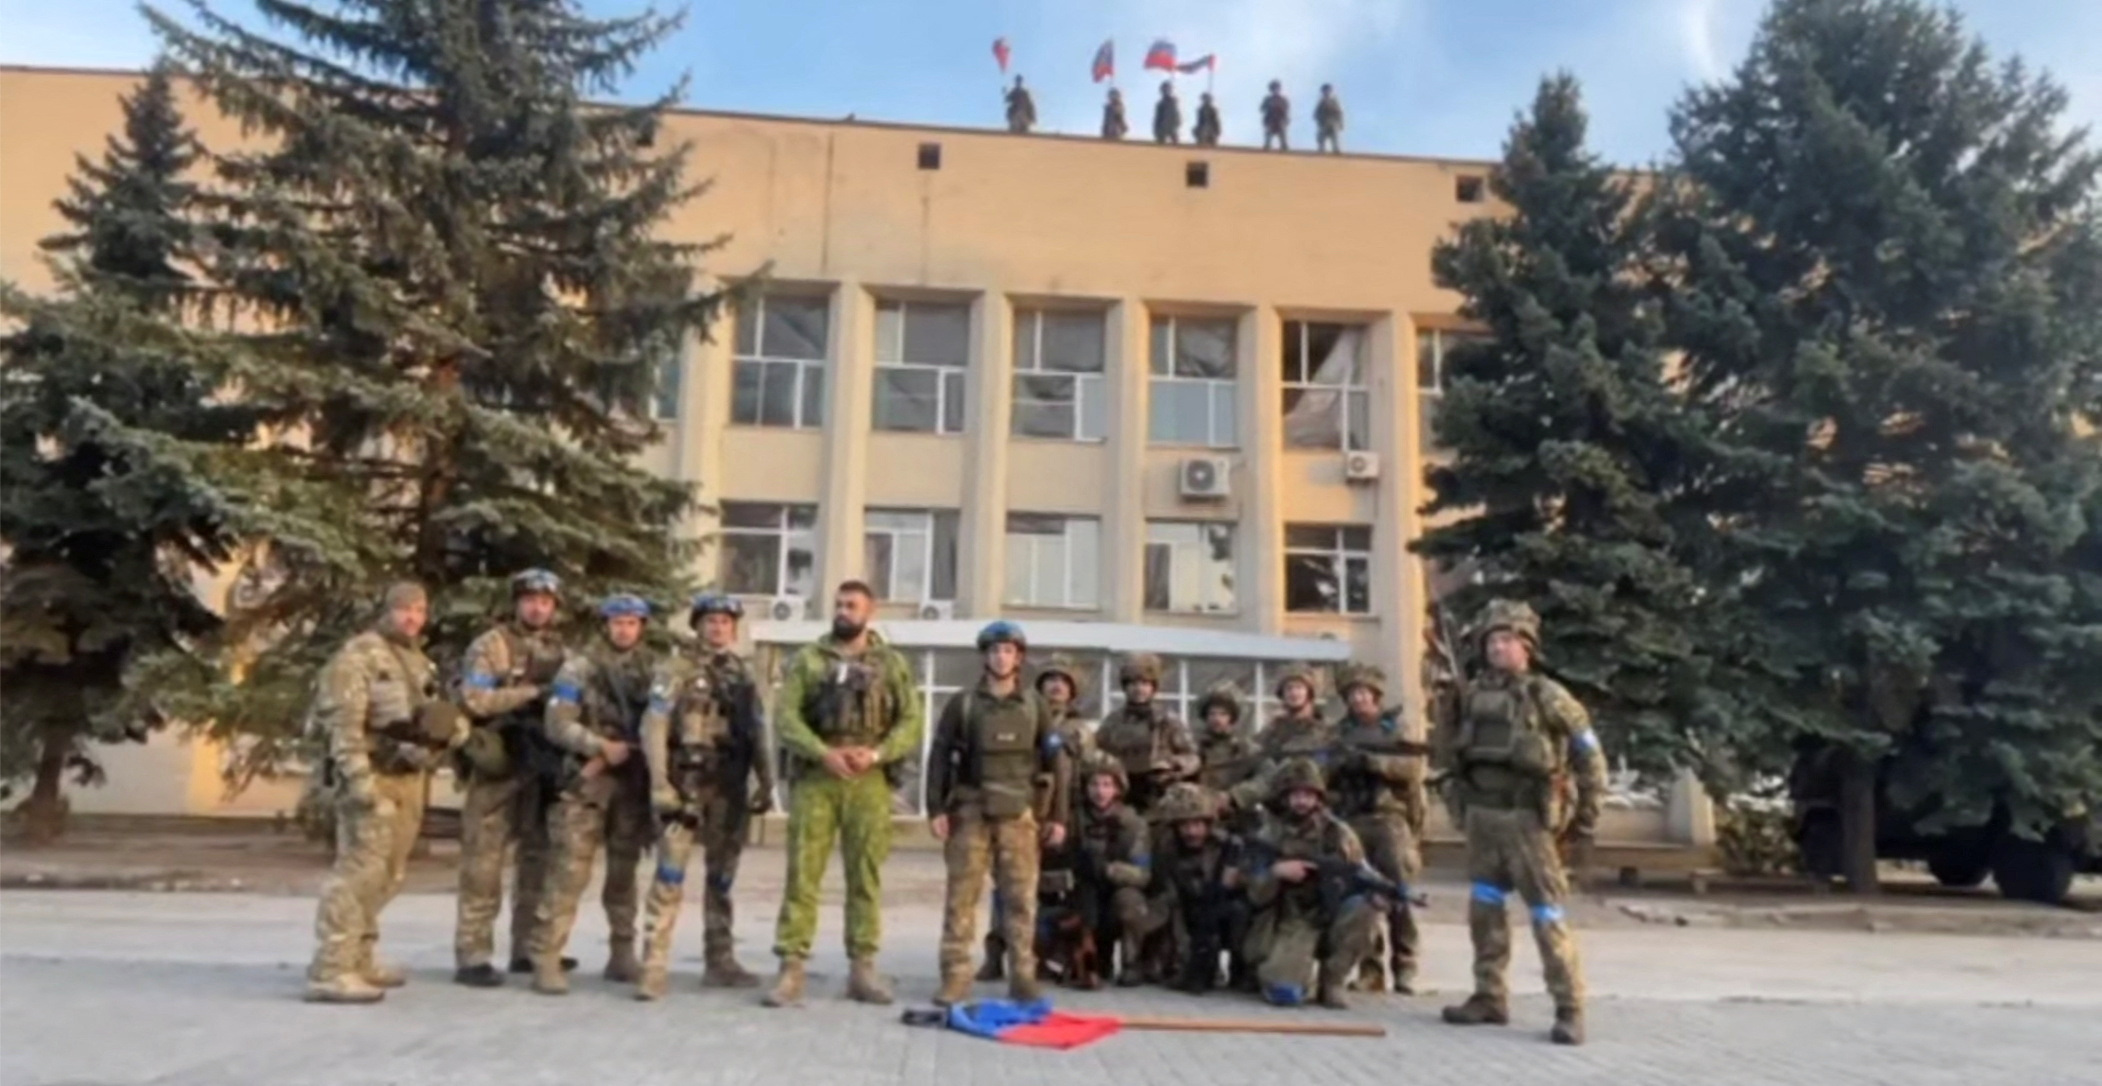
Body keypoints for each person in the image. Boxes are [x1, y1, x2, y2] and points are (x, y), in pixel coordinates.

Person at [1439, 599, 1607, 1045]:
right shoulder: (1469, 695)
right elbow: (1448, 756)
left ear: (1526, 646)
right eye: (1492, 640)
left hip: (1528, 821)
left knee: (1546, 915)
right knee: (1485, 910)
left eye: (1507, 640)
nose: (1498, 648)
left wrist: (1585, 817)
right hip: (1483, 819)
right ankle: (1489, 995)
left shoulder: (1548, 695)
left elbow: (1589, 754)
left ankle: (1570, 1006)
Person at [764, 581, 924, 1008]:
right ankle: (791, 968)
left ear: (870, 611)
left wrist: (876, 753)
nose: (843, 611)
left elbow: (911, 720)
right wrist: (822, 752)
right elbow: (786, 717)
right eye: (838, 604)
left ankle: (863, 969)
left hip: (867, 779)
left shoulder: (891, 663)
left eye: (852, 605)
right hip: (817, 778)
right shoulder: (809, 660)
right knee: (803, 873)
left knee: (865, 876)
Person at [304, 582, 463, 1003]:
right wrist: (359, 782)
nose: (412, 617)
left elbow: (427, 718)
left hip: (407, 779)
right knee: (357, 873)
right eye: (403, 609)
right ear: (387, 611)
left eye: (419, 610)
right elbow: (343, 726)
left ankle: (361, 956)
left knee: (388, 875)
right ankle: (331, 967)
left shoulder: (417, 661)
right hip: (372, 779)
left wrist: (449, 733)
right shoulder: (359, 657)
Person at [634, 592, 776, 999]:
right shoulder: (676, 668)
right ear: (697, 625)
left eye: (726, 622)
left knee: (722, 878)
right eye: (711, 621)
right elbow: (655, 725)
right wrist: (660, 783)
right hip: (686, 786)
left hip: (728, 788)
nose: (718, 628)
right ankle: (654, 965)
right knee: (669, 876)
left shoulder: (742, 675)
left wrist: (766, 782)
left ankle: (720, 960)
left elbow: (758, 730)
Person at [926, 621, 1064, 1006]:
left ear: (1018, 657)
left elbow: (1057, 763)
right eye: (994, 650)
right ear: (984, 656)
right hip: (970, 811)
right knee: (961, 897)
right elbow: (938, 756)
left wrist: (1058, 817)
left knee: (1021, 899)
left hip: (1019, 815)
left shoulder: (1036, 706)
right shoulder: (963, 704)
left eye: (1007, 650)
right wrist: (935, 807)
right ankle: (955, 975)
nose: (1000, 657)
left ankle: (1023, 975)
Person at [527, 594, 656, 994]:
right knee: (568, 873)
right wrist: (599, 746)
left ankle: (621, 953)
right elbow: (557, 723)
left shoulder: (652, 671)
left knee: (623, 874)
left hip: (631, 785)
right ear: (606, 626)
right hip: (587, 783)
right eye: (617, 623)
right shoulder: (578, 668)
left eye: (632, 623)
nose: (624, 630)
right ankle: (546, 957)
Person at [451, 568, 568, 987]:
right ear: (517, 602)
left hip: (540, 766)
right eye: (530, 599)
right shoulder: (492, 645)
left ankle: (528, 949)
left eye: (546, 601)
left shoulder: (560, 648)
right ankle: (473, 954)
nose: (538, 607)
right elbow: (475, 699)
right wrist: (531, 694)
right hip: (499, 763)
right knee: (484, 863)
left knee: (538, 860)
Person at [978, 652, 1093, 983]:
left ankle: (1049, 957)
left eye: (1063, 681)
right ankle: (997, 954)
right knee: (1007, 888)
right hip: (1020, 814)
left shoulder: (1080, 730)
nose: (1056, 686)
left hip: (1062, 821)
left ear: (1073, 691)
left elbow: (1090, 777)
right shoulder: (1021, 716)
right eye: (1050, 680)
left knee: (1057, 894)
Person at [1241, 757, 1379, 1009]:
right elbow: (1253, 891)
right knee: (1286, 994)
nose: (1302, 801)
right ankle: (1292, 974)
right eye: (1296, 795)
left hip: (1331, 913)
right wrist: (1276, 872)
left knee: (1366, 907)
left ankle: (1333, 981)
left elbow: (1362, 872)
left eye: (1308, 795)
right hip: (1292, 920)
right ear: (1285, 798)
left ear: (1319, 798)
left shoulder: (1338, 833)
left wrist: (1379, 893)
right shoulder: (1269, 833)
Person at [1327, 663, 1427, 993]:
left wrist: (1376, 763)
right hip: (1353, 820)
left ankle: (1405, 965)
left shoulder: (1394, 730)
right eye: (1352, 694)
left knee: (1399, 891)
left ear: (1375, 696)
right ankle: (1370, 968)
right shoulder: (1339, 734)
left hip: (1389, 821)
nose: (1358, 700)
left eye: (1364, 693)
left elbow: (1412, 769)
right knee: (1362, 894)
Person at [1144, 782, 1249, 994]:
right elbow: (1170, 899)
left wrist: (1236, 880)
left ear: (1208, 824)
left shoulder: (1228, 845)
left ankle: (1241, 970)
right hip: (1187, 911)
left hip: (1223, 908)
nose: (1192, 832)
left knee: (1240, 911)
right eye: (1185, 826)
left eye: (1198, 825)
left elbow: (1248, 881)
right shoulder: (1167, 851)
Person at [1065, 753, 1152, 987]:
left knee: (1130, 902)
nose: (1099, 791)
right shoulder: (1073, 820)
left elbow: (1143, 874)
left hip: (1116, 893)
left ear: (1117, 788)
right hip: (1082, 894)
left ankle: (1131, 964)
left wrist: (1108, 870)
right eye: (1093, 784)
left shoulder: (1133, 823)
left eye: (1106, 785)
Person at [1223, 664, 1333, 830]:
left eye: (1299, 687)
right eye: (1289, 688)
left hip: (1315, 812)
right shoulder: (1271, 731)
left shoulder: (1326, 731)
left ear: (1309, 693)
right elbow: (1253, 759)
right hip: (1277, 813)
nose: (1294, 693)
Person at [1092, 653, 1199, 816]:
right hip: (1122, 793)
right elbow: (1097, 755)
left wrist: (1172, 766)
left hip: (1158, 793)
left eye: (1144, 683)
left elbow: (1192, 756)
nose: (1138, 689)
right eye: (1133, 683)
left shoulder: (1167, 719)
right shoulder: (1113, 721)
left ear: (1153, 688)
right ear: (1125, 687)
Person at [1194, 682, 1257, 795]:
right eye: (1212, 714)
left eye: (1223, 714)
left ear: (1231, 718)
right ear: (1206, 717)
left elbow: (1267, 775)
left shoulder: (1245, 748)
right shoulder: (1194, 746)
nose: (1217, 719)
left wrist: (1239, 796)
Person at [1260, 80, 1290, 150]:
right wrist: (1269, 106)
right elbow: (1262, 108)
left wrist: (1285, 118)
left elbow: (1286, 110)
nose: (1275, 90)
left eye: (1276, 88)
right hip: (1271, 119)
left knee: (1282, 132)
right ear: (1271, 90)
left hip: (1280, 120)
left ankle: (1284, 147)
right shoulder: (1268, 99)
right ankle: (1267, 146)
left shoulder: (1283, 99)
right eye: (1273, 89)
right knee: (1268, 132)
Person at [1314, 84, 1344, 153]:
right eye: (1325, 91)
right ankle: (1321, 150)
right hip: (1324, 122)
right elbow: (1316, 113)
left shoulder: (1334, 101)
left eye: (1328, 90)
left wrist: (1340, 123)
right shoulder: (1321, 101)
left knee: (1335, 137)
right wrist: (1320, 121)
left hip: (1333, 122)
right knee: (1321, 138)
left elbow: (1339, 112)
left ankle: (1336, 150)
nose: (1326, 92)